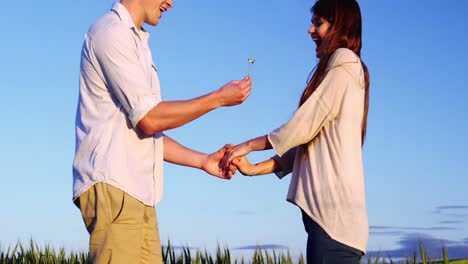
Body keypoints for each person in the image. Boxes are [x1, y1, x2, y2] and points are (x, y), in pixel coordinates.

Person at [72, 0, 252, 263]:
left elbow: (146, 132)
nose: (171, 2)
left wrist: (203, 161)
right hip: (115, 187)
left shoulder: (136, 43)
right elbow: (151, 119)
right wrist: (218, 99)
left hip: (138, 194)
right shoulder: (110, 33)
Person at [221, 0, 370, 263]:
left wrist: (247, 145)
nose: (310, 30)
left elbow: (301, 127)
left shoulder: (344, 63)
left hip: (333, 227)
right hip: (334, 227)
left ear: (339, 27)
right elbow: (307, 144)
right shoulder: (345, 69)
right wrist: (255, 168)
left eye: (319, 23)